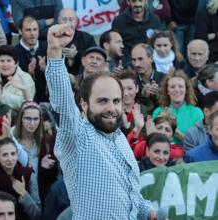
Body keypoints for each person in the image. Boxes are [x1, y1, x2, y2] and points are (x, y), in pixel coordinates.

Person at [45, 23, 156, 220]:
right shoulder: (78, 136)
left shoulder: (120, 138)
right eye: (102, 101)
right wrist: (55, 51)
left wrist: (148, 211)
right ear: (84, 105)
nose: (111, 108)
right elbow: (64, 103)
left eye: (115, 101)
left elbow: (131, 196)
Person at [10, 100, 58, 202]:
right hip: (17, 196)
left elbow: (53, 176)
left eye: (36, 119)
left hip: (41, 197)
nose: (32, 123)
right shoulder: (12, 140)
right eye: (28, 118)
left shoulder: (47, 140)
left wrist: (45, 168)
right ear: (21, 119)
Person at [152, 69, 204, 144]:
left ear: (186, 90)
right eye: (172, 87)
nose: (177, 90)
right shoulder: (158, 112)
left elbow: (198, 144)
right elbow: (155, 141)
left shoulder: (197, 113)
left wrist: (174, 130)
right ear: (167, 91)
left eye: (180, 86)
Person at [0, 137, 41, 220]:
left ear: (17, 155)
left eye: (13, 154)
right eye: (5, 155)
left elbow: (37, 215)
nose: (10, 159)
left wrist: (24, 194)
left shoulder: (28, 175)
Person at [112, 0, 161, 65]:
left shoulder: (155, 20)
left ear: (146, 1)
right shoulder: (118, 21)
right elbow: (115, 45)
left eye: (140, 1)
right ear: (128, 2)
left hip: (150, 63)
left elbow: (159, 43)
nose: (137, 4)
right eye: (134, 1)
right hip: (127, 64)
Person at [16, 15, 48, 103]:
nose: (32, 33)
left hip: (46, 101)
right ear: (20, 31)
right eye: (28, 30)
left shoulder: (48, 49)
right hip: (23, 102)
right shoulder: (13, 53)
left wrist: (46, 70)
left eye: (35, 29)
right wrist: (28, 73)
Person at [57, 8, 96, 75]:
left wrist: (77, 55)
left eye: (71, 20)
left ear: (76, 21)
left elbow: (95, 58)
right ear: (58, 21)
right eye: (64, 19)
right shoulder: (52, 39)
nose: (67, 23)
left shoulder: (87, 38)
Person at [0, 45, 35, 111]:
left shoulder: (26, 78)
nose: (5, 65)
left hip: (16, 118)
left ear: (16, 63)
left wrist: (1, 96)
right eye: (2, 61)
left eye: (9, 61)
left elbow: (25, 103)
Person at [131, 43, 165, 110]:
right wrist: (143, 97)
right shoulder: (131, 81)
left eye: (140, 59)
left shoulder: (164, 79)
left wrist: (159, 95)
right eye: (134, 60)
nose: (137, 64)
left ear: (151, 59)